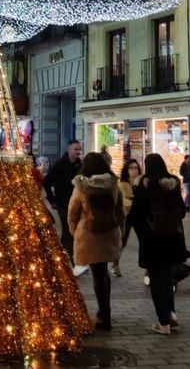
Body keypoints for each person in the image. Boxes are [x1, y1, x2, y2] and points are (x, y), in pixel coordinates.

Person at [131, 153, 186, 335]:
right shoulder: (172, 184)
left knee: (156, 282)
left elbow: (136, 214)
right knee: (167, 279)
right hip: (172, 239)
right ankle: (172, 316)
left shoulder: (144, 185)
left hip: (152, 240)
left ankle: (163, 323)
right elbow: (182, 212)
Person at [68, 152, 123, 330]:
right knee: (102, 273)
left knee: (98, 275)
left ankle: (103, 315)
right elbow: (119, 209)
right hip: (109, 233)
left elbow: (72, 213)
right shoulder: (113, 185)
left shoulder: (81, 186)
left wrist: (74, 231)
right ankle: (105, 312)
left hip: (89, 236)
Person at [43, 140, 84, 273]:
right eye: (75, 149)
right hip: (63, 203)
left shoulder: (80, 165)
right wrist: (51, 199)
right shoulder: (60, 164)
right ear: (69, 150)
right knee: (68, 231)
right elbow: (46, 182)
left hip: (77, 203)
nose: (77, 152)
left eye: (79, 149)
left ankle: (60, 258)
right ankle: (71, 262)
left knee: (74, 232)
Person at [111, 158, 140, 277]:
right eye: (131, 168)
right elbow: (123, 200)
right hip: (126, 215)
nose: (134, 171)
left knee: (144, 241)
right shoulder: (122, 184)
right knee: (122, 241)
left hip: (139, 215)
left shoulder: (141, 182)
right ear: (126, 170)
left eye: (136, 168)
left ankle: (148, 268)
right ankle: (115, 264)